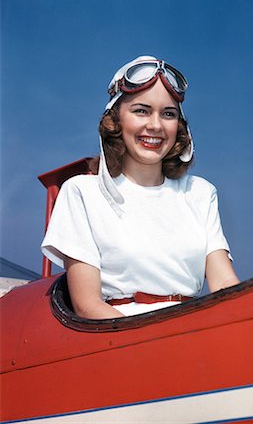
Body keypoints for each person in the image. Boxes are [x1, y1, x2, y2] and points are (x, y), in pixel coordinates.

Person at [41, 56, 240, 319]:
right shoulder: (82, 193)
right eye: (141, 111)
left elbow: (224, 285)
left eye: (168, 114)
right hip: (121, 341)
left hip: (196, 333)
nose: (155, 125)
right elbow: (87, 305)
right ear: (114, 121)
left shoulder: (200, 193)